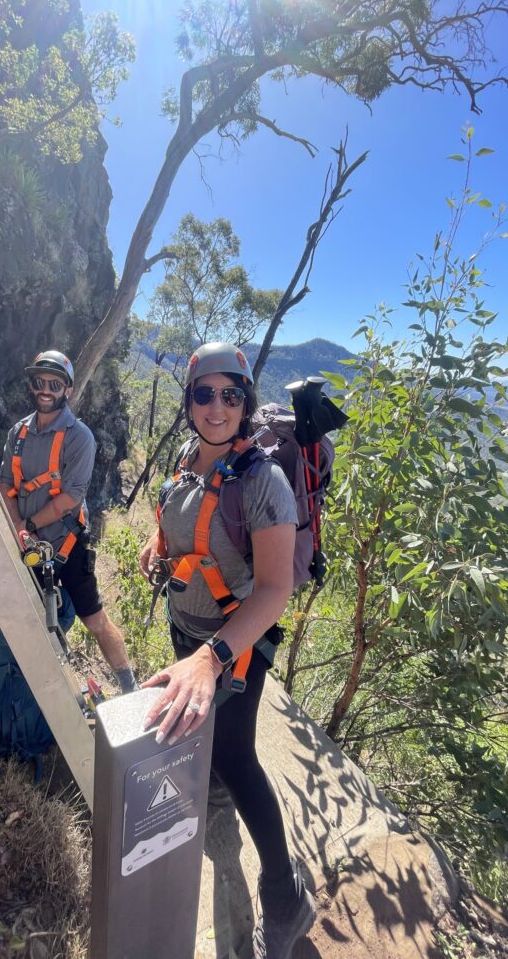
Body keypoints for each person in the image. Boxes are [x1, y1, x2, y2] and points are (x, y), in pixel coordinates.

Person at [138, 342, 316, 959]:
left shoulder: (263, 482)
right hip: (190, 635)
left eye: (231, 395)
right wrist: (157, 547)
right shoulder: (188, 460)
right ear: (190, 401)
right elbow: (191, 525)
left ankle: (285, 892)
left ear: (244, 403)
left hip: (233, 649)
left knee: (238, 760)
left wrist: (211, 660)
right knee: (213, 748)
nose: (217, 406)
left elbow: (273, 591)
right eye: (204, 394)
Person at [0, 349, 136, 694]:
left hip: (66, 543)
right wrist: (18, 528)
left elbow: (70, 499)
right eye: (40, 382)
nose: (46, 389)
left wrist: (27, 526)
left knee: (94, 619)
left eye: (55, 383)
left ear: (67, 390)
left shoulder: (79, 437)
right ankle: (34, 685)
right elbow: (5, 484)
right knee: (25, 615)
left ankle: (128, 684)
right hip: (27, 543)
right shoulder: (19, 433)